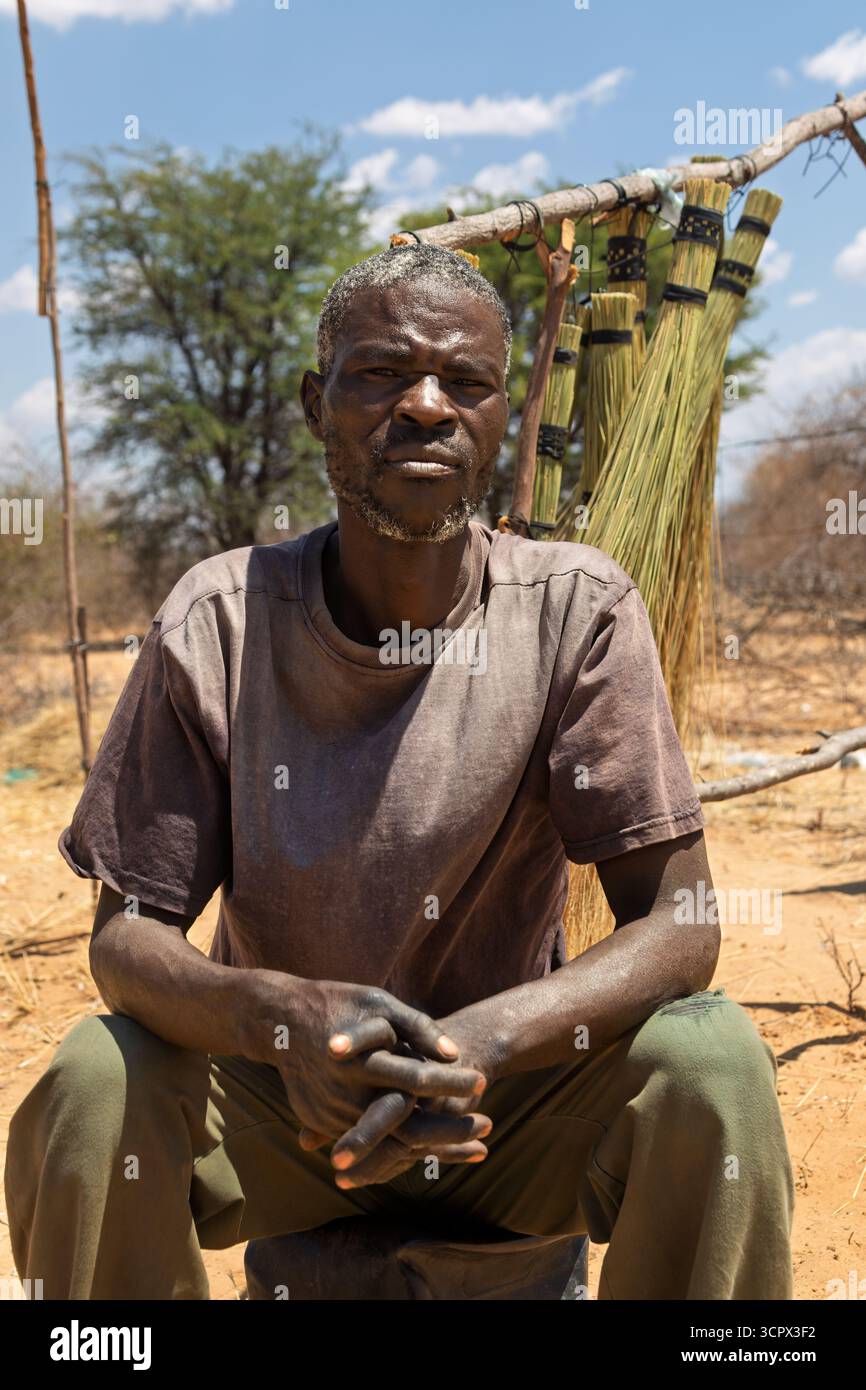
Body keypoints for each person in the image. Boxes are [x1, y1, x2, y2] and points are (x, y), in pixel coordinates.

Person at [4, 244, 794, 1300]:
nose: (425, 406)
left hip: (503, 1112)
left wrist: (478, 1043)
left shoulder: (575, 610)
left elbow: (681, 919)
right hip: (289, 1114)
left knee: (712, 1060)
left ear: (500, 416)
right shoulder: (220, 621)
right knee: (96, 1080)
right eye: (381, 373)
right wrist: (283, 1021)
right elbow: (127, 941)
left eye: (464, 381)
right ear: (314, 404)